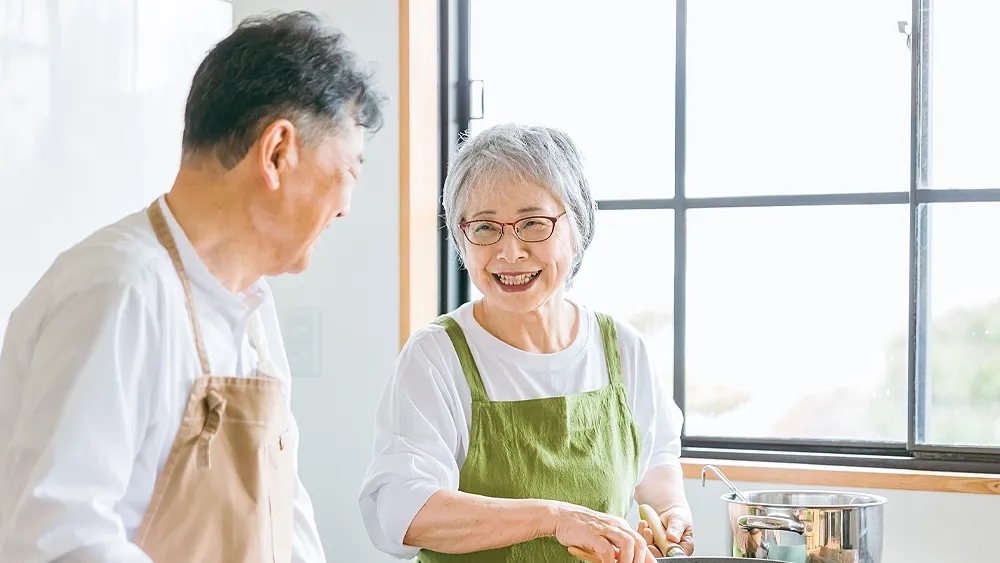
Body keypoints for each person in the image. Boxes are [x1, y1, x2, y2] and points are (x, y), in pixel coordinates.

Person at [0, 11, 384, 562]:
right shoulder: (121, 291)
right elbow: (60, 541)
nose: (346, 207)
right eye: (350, 170)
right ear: (277, 152)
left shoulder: (254, 314)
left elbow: (284, 517)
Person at [358, 123, 694, 563]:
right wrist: (553, 517)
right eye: (484, 228)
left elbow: (655, 458)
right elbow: (401, 512)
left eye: (533, 224)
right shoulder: (436, 357)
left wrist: (670, 510)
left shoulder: (622, 348)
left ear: (578, 227)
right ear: (462, 237)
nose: (510, 251)